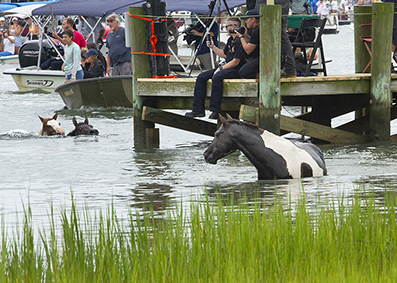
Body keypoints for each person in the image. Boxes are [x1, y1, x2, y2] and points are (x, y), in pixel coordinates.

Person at [185, 17, 246, 119]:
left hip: (237, 69)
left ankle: (215, 110)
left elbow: (236, 61)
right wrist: (213, 47)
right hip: (228, 66)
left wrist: (221, 69)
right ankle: (198, 109)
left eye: (227, 26)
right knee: (201, 77)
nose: (225, 28)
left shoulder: (240, 40)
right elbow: (225, 55)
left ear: (234, 27)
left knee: (217, 77)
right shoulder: (230, 39)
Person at [236, 9, 260, 79]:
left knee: (242, 72)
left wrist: (240, 37)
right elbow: (253, 42)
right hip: (261, 56)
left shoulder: (257, 30)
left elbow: (248, 50)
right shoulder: (257, 29)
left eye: (247, 19)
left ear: (253, 19)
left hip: (265, 59)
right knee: (242, 46)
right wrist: (245, 35)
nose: (245, 21)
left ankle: (261, 76)